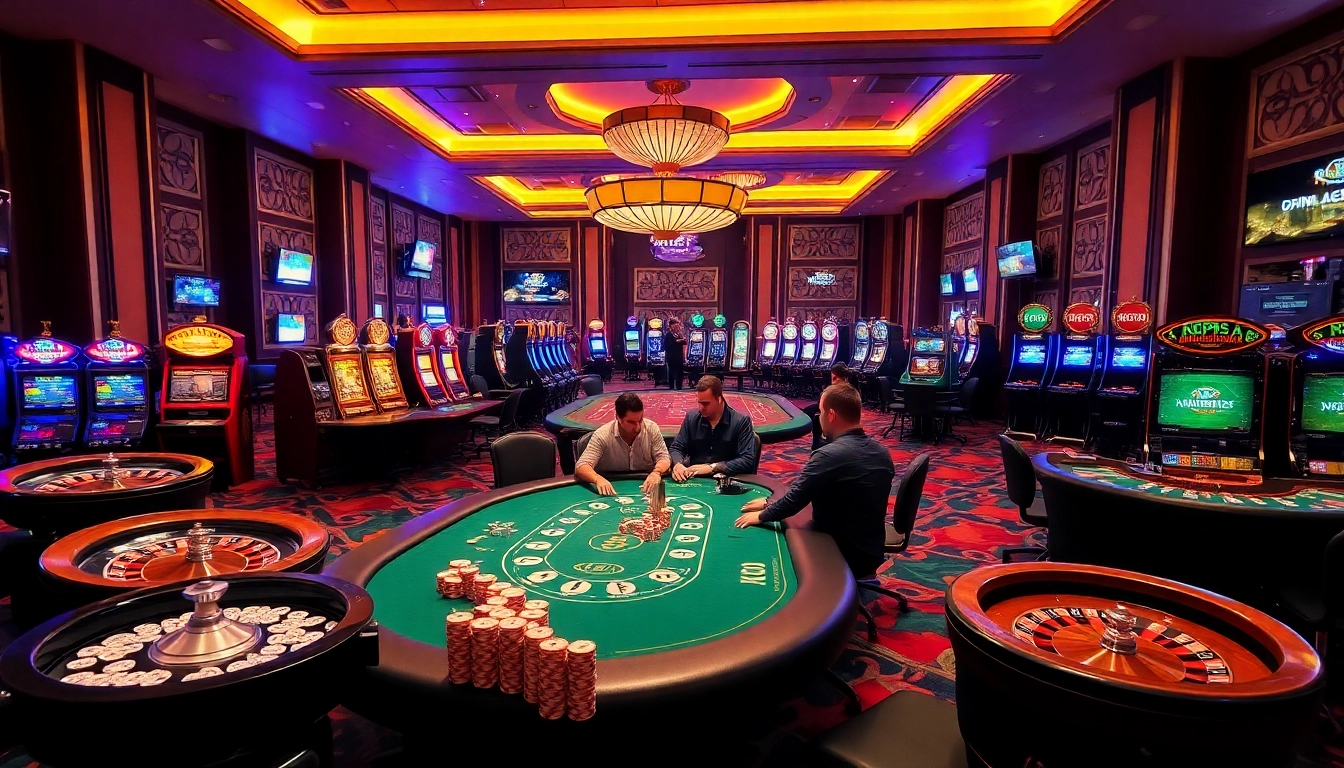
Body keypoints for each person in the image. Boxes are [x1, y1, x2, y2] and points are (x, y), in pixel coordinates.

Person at [735, 384, 894, 577]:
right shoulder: (883, 453)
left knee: (779, 536)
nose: (819, 417)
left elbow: (795, 501)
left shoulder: (829, 455)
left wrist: (760, 516)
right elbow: (809, 488)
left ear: (831, 415)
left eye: (821, 412)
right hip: (871, 550)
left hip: (840, 551)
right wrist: (770, 502)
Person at [575, 393, 670, 496]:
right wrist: (597, 479)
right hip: (612, 487)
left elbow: (664, 457)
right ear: (618, 418)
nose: (637, 426)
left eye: (640, 420)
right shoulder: (602, 435)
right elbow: (581, 466)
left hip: (646, 487)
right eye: (631, 422)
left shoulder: (652, 428)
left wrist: (656, 473)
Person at [670, 375, 757, 481]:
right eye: (700, 403)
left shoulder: (741, 421)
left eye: (706, 403)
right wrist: (678, 464)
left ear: (719, 398)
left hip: (726, 481)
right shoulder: (691, 418)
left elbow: (747, 460)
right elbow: (677, 447)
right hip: (694, 479)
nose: (701, 408)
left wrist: (713, 467)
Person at [802, 363, 859, 451]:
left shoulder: (833, 391)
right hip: (848, 420)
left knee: (814, 415)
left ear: (834, 375)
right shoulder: (852, 389)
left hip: (836, 417)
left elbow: (826, 405)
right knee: (810, 410)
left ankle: (817, 443)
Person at [664, 317, 687, 390]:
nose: (676, 326)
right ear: (671, 325)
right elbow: (667, 345)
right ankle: (671, 386)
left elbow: (684, 343)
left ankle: (679, 386)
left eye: (677, 325)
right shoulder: (668, 334)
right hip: (671, 356)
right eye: (675, 325)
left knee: (680, 371)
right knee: (672, 371)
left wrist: (683, 341)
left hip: (679, 356)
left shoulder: (679, 334)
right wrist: (678, 341)